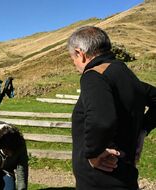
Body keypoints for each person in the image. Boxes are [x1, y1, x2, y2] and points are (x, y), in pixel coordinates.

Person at [67, 26, 156, 190]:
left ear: (81, 53)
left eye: (73, 57)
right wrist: (143, 130)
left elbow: (102, 121)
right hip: (125, 174)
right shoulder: (124, 75)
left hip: (99, 179)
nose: (74, 64)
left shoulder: (94, 75)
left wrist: (93, 154)